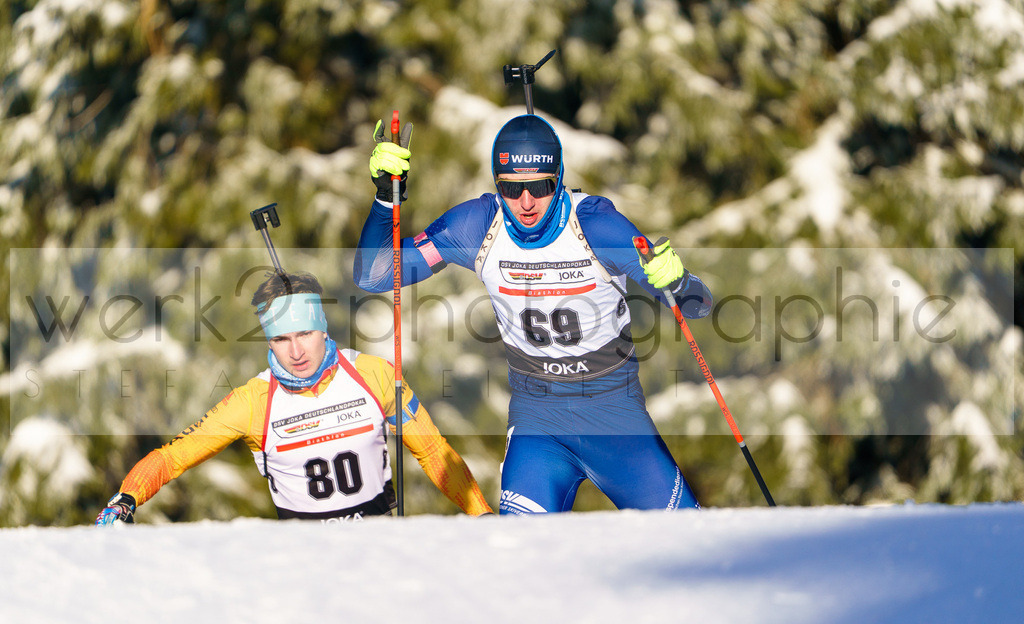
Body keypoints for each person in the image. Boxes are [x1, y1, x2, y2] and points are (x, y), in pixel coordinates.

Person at [354, 115, 713, 515]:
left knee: (690, 543)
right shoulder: (477, 226)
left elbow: (698, 306)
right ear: (496, 183)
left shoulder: (596, 226)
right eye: (511, 188)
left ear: (559, 179)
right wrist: (387, 199)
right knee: (519, 557)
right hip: (537, 425)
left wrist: (678, 281)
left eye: (540, 187)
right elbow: (375, 275)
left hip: (616, 420)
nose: (526, 202)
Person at [95, 270, 493, 525]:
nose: (296, 351)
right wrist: (124, 500)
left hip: (379, 549)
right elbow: (171, 457)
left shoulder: (374, 375)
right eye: (281, 339)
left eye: (304, 334)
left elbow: (434, 453)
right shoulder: (253, 401)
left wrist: (483, 516)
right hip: (304, 561)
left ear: (322, 329)